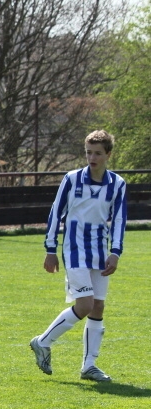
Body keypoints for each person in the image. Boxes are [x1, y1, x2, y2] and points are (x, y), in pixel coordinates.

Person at [29, 130, 127, 383]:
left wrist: (115, 253)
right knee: (84, 305)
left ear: (108, 155)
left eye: (97, 153)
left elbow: (119, 221)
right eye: (88, 152)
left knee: (98, 306)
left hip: (99, 251)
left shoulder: (117, 184)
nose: (91, 157)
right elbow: (55, 213)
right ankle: (42, 342)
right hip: (74, 250)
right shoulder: (72, 179)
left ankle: (89, 366)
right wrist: (50, 249)